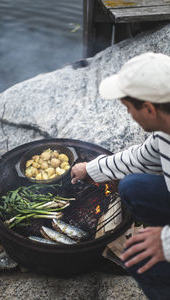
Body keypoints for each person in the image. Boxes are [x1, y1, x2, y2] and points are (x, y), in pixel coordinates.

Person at [71, 52, 170, 300]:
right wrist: (90, 169)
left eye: (128, 109)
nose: (129, 115)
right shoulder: (165, 132)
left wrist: (164, 241)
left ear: (148, 108)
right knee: (134, 186)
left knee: (139, 259)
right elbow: (139, 159)